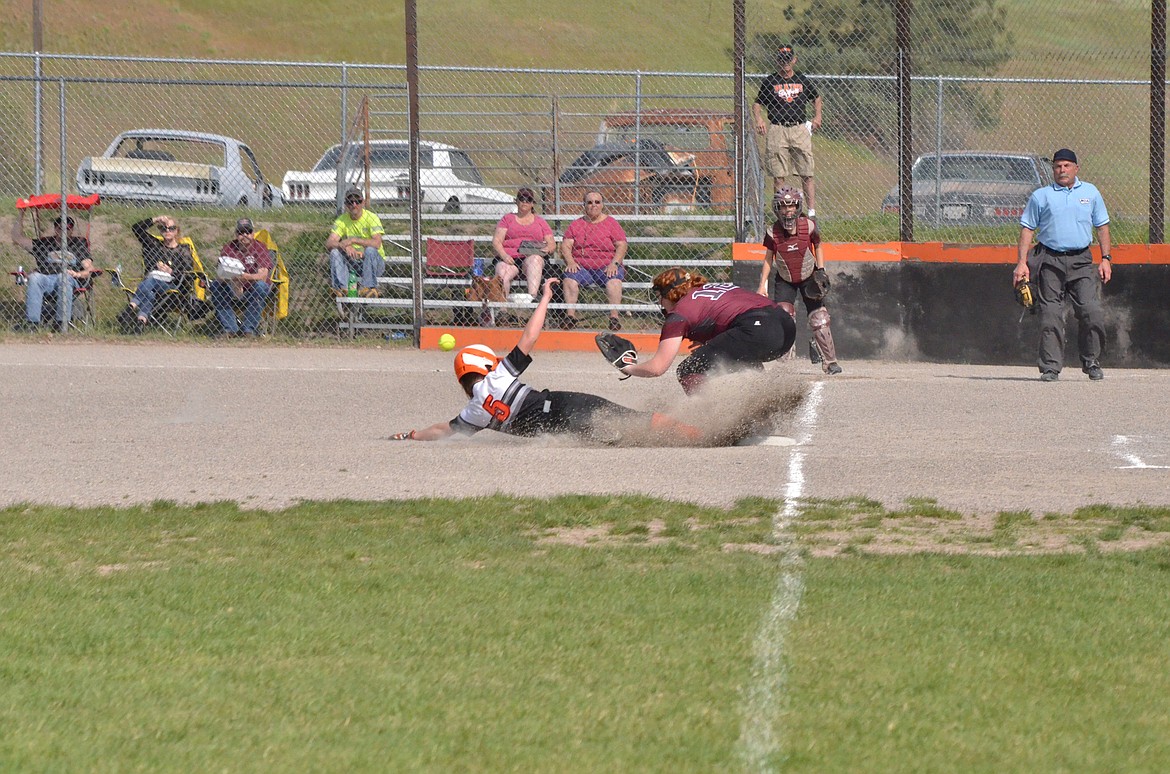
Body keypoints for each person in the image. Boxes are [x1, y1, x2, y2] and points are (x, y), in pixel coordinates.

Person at [389, 278, 702, 445]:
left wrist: (412, 435)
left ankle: (681, 437)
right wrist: (545, 299)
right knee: (636, 419)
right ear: (484, 366)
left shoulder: (474, 413)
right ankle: (701, 435)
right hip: (565, 405)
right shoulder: (496, 377)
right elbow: (529, 337)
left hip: (559, 430)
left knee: (621, 436)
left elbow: (443, 431)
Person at [1014, 148, 1112, 382]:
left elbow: (1102, 227)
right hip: (1050, 260)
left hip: (1082, 260)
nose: (1062, 170)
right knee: (1050, 314)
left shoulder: (1090, 193)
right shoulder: (1042, 196)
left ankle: (1091, 360)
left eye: (1067, 165)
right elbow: (1027, 228)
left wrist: (1106, 259)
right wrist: (1021, 263)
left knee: (1091, 311)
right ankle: (1050, 367)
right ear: (1053, 169)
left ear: (1076, 168)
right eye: (1058, 166)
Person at [621, 268, 795, 394]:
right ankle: (762, 408)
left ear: (669, 294)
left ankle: (712, 418)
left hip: (758, 329)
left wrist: (627, 368)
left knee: (688, 369)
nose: (660, 303)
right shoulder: (708, 290)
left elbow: (657, 368)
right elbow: (729, 313)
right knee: (741, 357)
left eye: (660, 297)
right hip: (786, 326)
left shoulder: (680, 313)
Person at [757, 187, 842, 374]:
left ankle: (829, 362)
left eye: (792, 206)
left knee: (820, 318)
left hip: (808, 276)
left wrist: (821, 270)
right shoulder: (772, 232)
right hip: (785, 278)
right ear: (777, 209)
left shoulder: (809, 226)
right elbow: (768, 258)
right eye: (783, 206)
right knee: (784, 316)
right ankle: (785, 364)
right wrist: (762, 284)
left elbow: (818, 246)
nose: (788, 211)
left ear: (798, 207)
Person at [753, 43, 823, 217]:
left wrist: (818, 116)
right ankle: (782, 214)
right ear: (777, 61)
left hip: (799, 128)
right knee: (778, 175)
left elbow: (816, 98)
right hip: (778, 129)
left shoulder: (801, 79)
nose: (785, 63)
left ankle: (812, 213)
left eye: (788, 60)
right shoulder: (770, 81)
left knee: (807, 173)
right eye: (782, 60)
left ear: (794, 60)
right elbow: (757, 104)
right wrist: (759, 119)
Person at [10, 210, 94, 331]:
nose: (64, 231)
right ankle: (32, 324)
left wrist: (78, 274)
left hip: (69, 280)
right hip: (47, 279)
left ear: (72, 230)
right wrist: (21, 213)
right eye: (60, 228)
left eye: (68, 228)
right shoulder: (44, 244)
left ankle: (61, 324)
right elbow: (16, 237)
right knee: (35, 278)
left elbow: (89, 269)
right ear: (55, 229)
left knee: (63, 277)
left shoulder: (78, 244)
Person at [560, 191, 627, 330]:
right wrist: (571, 262)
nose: (593, 205)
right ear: (584, 205)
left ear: (602, 205)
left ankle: (614, 318)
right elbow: (566, 245)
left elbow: (622, 245)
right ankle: (570, 316)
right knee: (569, 280)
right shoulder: (576, 224)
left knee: (614, 281)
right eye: (589, 202)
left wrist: (614, 264)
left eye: (597, 202)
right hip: (582, 267)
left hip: (606, 266)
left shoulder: (611, 223)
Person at [121, 215, 196, 333]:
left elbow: (189, 273)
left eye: (171, 228)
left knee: (150, 282)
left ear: (177, 231)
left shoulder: (183, 250)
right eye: (163, 228)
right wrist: (155, 220)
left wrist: (171, 271)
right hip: (151, 286)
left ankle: (131, 307)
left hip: (172, 287)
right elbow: (136, 229)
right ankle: (141, 323)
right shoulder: (155, 245)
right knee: (149, 292)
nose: (167, 231)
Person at [208, 218, 273, 338]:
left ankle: (248, 330)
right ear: (236, 234)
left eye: (248, 231)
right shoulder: (229, 248)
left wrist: (244, 277)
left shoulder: (260, 247)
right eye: (240, 232)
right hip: (232, 288)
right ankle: (230, 329)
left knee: (261, 286)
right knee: (216, 286)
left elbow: (263, 276)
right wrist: (232, 280)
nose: (244, 235)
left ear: (253, 233)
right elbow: (220, 274)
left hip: (252, 290)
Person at [491, 187, 555, 303]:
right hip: (509, 258)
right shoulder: (507, 218)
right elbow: (497, 241)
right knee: (502, 271)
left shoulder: (540, 221)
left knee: (535, 260)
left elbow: (551, 243)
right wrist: (504, 256)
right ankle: (502, 311)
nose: (525, 202)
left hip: (531, 256)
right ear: (517, 201)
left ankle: (533, 299)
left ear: (532, 203)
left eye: (528, 199)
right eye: (522, 199)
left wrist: (546, 249)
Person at [325, 188, 385, 298]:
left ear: (363, 202)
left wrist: (352, 240)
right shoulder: (342, 220)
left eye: (357, 201)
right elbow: (329, 243)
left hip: (374, 263)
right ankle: (341, 289)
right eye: (350, 202)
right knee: (334, 252)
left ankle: (368, 288)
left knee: (370, 250)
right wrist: (343, 245)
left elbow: (377, 243)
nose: (354, 204)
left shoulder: (372, 218)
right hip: (353, 262)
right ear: (346, 204)